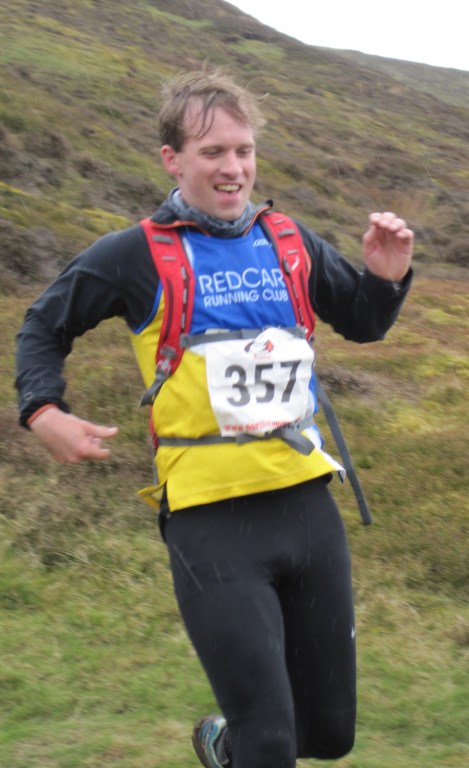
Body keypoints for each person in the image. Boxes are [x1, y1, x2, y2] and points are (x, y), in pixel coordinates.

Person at [15, 67, 414, 768]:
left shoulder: (288, 240)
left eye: (243, 150)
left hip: (306, 504)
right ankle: (246, 743)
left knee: (329, 736)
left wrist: (385, 279)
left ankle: (221, 744)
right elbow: (44, 326)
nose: (233, 168)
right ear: (172, 159)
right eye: (213, 152)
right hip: (210, 520)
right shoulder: (135, 254)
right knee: (271, 743)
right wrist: (43, 410)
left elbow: (363, 322)